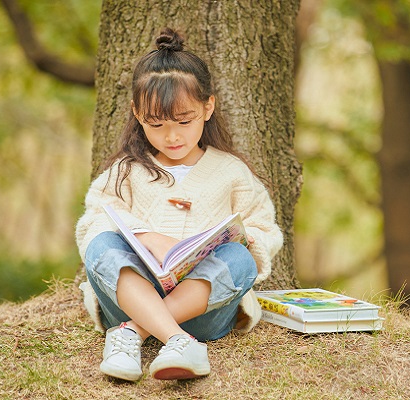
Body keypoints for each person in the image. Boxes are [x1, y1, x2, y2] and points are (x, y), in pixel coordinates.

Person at [75, 27, 283, 382]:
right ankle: (175, 339)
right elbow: (94, 219)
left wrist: (244, 241)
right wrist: (148, 236)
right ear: (137, 114)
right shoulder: (127, 170)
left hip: (204, 310)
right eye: (155, 124)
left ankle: (133, 335)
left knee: (240, 257)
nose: (172, 136)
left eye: (184, 122)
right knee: (100, 242)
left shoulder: (231, 171)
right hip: (129, 297)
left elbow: (265, 229)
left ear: (208, 107)